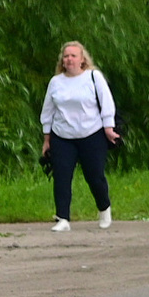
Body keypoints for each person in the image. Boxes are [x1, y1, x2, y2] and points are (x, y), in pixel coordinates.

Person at [39, 41, 119, 232]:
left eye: (73, 55)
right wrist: (47, 139)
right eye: (66, 56)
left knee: (95, 176)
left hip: (91, 134)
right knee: (62, 176)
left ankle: (104, 209)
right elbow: (48, 111)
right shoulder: (56, 82)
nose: (69, 59)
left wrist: (109, 128)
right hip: (62, 136)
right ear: (62, 60)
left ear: (82, 59)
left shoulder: (93, 77)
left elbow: (107, 102)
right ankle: (63, 218)